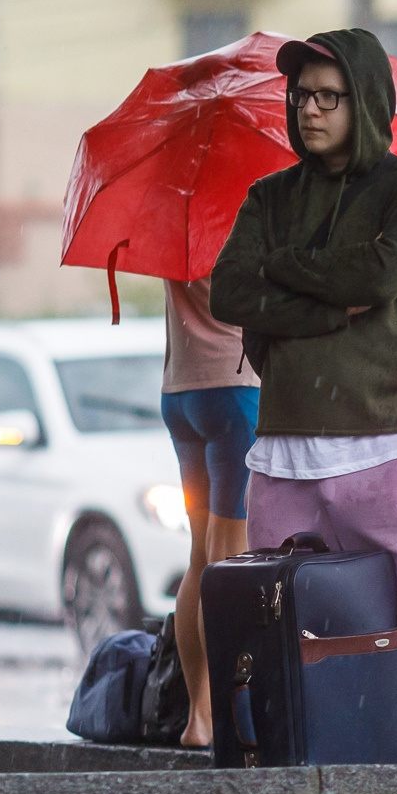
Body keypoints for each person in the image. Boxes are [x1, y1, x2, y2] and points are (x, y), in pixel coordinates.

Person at [209, 28, 397, 764]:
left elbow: (375, 280)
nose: (310, 109)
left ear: (366, 102)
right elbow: (229, 291)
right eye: (302, 95)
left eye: (329, 97)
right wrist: (316, 301)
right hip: (281, 462)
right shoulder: (269, 197)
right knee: (279, 651)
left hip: (389, 454)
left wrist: (284, 276)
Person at [159, 278, 259, 748]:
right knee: (228, 560)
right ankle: (224, 715)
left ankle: (200, 717)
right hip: (233, 389)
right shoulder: (235, 208)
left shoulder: (175, 208)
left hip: (180, 391)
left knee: (200, 556)